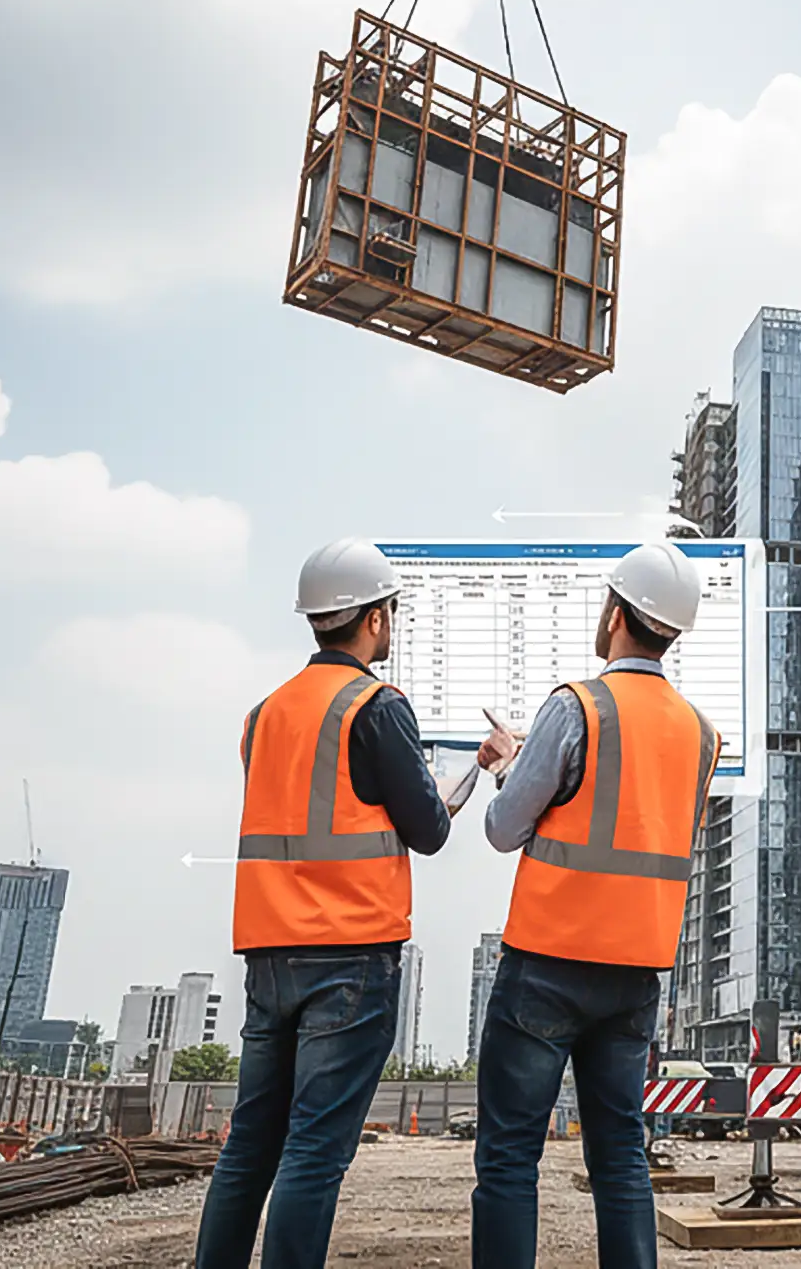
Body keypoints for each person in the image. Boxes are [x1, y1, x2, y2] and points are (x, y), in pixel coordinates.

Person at [195, 539, 489, 1269]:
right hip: (349, 955)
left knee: (252, 1143)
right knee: (315, 1149)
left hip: (267, 953)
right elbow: (426, 829)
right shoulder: (377, 705)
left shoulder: (264, 715)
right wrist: (470, 776)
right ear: (376, 618)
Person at [471, 541, 720, 1269]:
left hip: (547, 962)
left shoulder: (577, 704)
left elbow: (503, 828)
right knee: (620, 1156)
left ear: (613, 614)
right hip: (635, 974)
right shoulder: (700, 733)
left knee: (511, 1156)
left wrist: (511, 762)